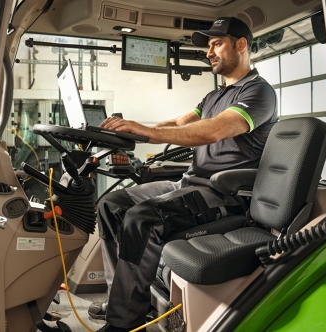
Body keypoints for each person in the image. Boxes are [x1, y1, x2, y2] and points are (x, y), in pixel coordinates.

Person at [94, 17, 278, 332]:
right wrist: (130, 130)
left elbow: (217, 129)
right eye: (208, 46)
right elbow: (181, 123)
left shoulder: (259, 93)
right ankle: (122, 302)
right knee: (110, 206)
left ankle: (123, 324)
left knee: (142, 219)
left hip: (225, 196)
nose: (209, 52)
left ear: (241, 44)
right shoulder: (213, 96)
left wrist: (148, 133)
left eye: (216, 43)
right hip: (189, 185)